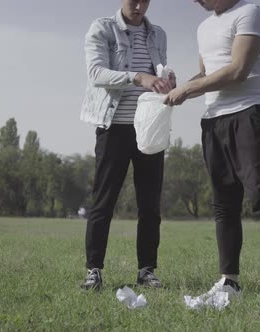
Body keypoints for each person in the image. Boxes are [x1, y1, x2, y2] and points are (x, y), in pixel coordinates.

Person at [164, 0, 260, 308]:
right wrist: (181, 86)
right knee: (223, 204)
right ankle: (229, 282)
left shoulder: (250, 13)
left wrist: (187, 91)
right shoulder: (203, 27)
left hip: (250, 113)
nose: (194, 1)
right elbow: (205, 73)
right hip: (214, 119)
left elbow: (239, 70)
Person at [79, 0, 176, 290]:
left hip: (148, 127)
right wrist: (139, 77)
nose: (138, 5)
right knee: (103, 201)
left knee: (150, 204)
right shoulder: (102, 29)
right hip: (114, 128)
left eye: (145, 0)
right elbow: (96, 73)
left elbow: (157, 74)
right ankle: (93, 270)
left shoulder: (158, 34)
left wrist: (166, 80)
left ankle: (146, 270)